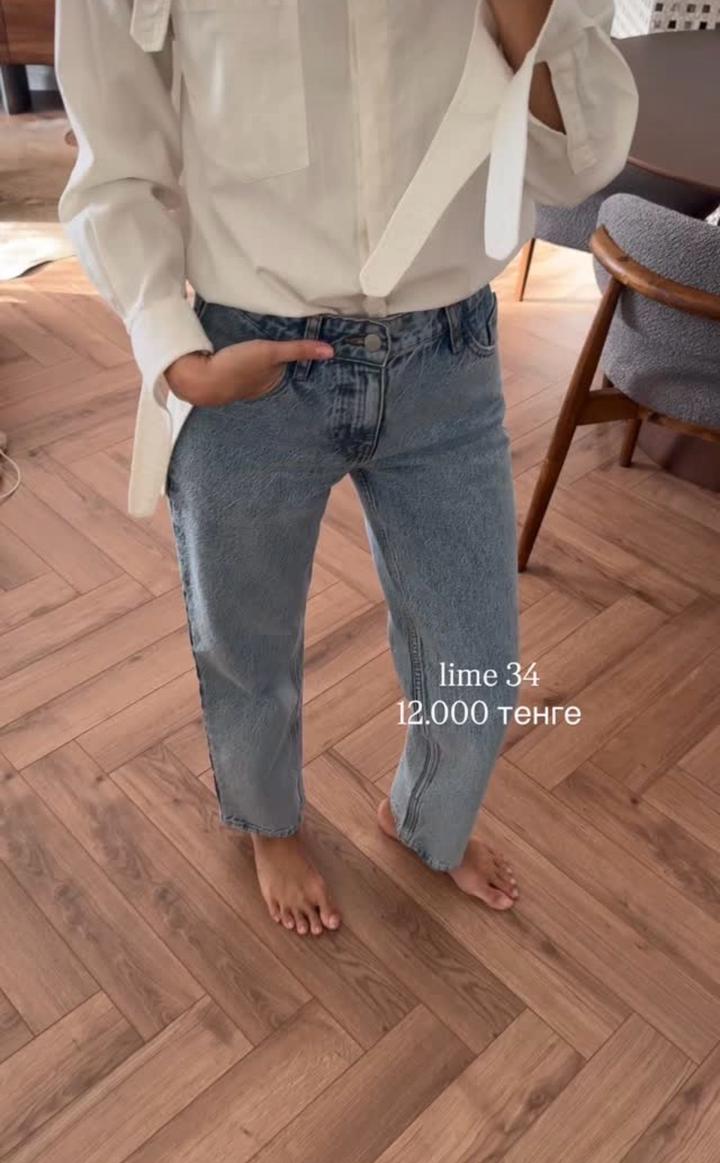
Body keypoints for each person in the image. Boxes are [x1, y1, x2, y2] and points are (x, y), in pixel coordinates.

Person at [55, 0, 638, 937]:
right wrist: (173, 347)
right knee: (243, 639)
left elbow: (580, 160)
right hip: (246, 354)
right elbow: (114, 154)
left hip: (447, 351)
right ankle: (268, 821)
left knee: (477, 657)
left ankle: (426, 816)